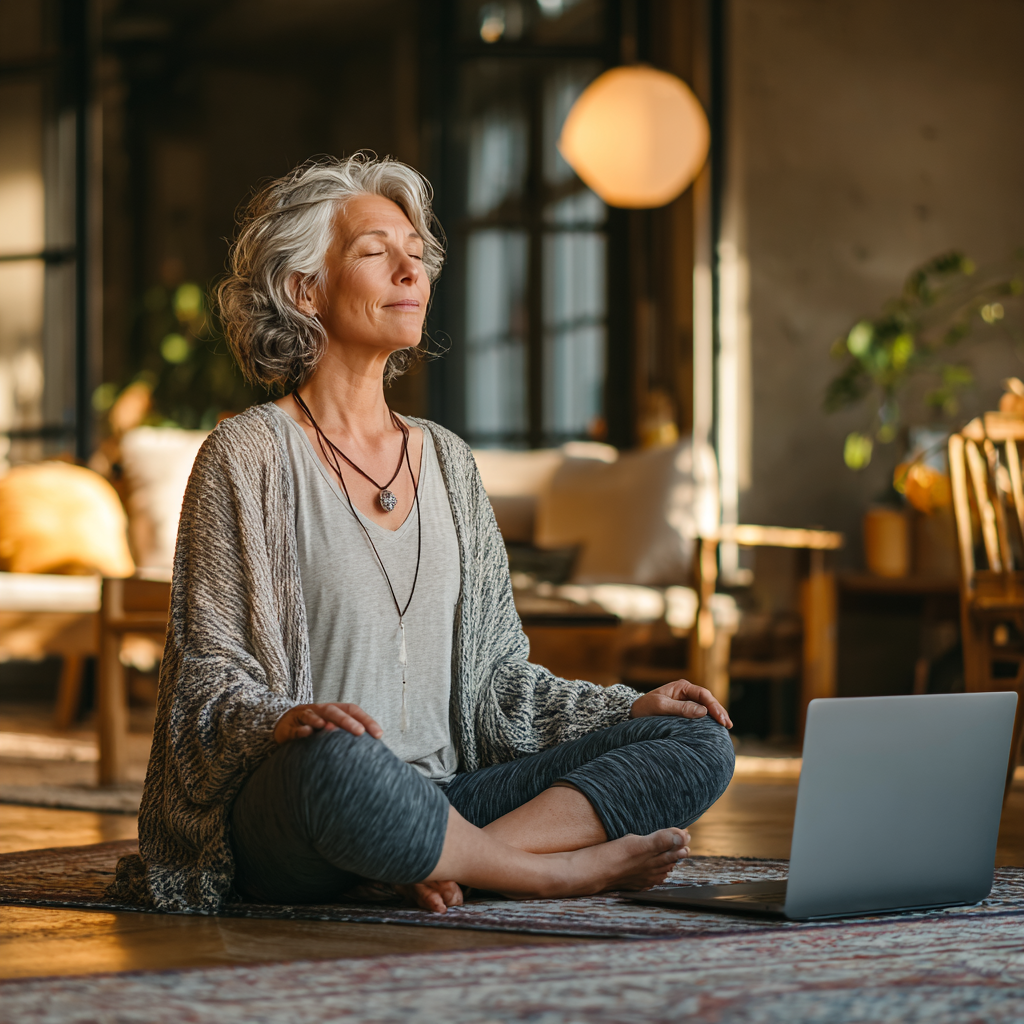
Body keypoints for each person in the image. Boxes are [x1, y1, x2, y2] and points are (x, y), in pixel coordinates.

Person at [109, 153, 735, 915]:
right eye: (376, 253)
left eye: (418, 255)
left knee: (698, 740)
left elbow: (503, 688)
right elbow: (207, 682)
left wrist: (627, 711)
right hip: (309, 801)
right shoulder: (247, 455)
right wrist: (280, 721)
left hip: (455, 795)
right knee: (338, 763)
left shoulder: (448, 461)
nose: (410, 272)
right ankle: (548, 871)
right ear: (305, 290)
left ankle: (443, 858)